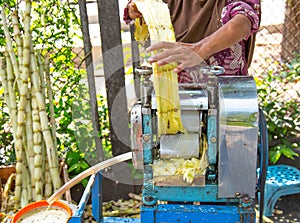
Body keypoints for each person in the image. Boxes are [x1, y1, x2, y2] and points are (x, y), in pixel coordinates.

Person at [124, 0, 261, 83]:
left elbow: (244, 21)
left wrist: (201, 49)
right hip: (169, 84)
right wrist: (134, 8)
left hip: (222, 88)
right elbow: (140, 6)